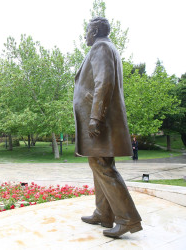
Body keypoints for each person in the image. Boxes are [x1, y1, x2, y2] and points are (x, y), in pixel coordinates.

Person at [73, 17, 142, 238]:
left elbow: (105, 82)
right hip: (100, 120)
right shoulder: (106, 47)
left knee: (102, 165)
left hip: (100, 122)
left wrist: (95, 117)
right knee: (98, 163)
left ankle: (128, 219)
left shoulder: (101, 46)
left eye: (86, 31)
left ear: (94, 31)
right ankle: (103, 213)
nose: (85, 35)